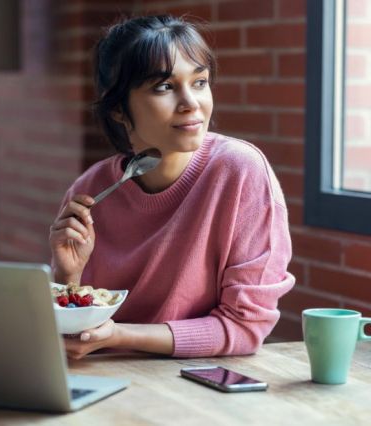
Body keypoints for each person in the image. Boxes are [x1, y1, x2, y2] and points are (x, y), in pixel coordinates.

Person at [49, 15, 295, 360]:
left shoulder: (239, 171)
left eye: (199, 82)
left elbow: (245, 328)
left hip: (196, 383)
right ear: (119, 108)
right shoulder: (90, 190)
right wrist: (68, 274)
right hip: (107, 377)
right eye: (164, 87)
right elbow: (75, 341)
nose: (191, 103)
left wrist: (118, 335)